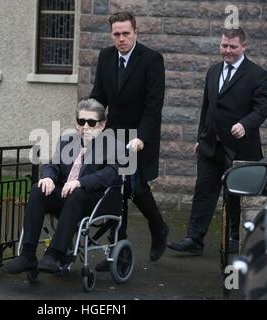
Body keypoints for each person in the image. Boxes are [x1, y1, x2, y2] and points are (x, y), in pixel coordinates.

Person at [168, 27, 267, 255]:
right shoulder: (213, 71)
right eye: (224, 45)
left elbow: (263, 107)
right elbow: (207, 108)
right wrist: (200, 138)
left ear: (244, 46)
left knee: (235, 196)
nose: (227, 50)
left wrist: (245, 124)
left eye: (232, 47)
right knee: (203, 191)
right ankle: (194, 240)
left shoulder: (257, 74)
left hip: (240, 149)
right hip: (210, 145)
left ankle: (236, 238)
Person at [3, 98, 120, 274]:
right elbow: (53, 164)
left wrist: (80, 182)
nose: (85, 126)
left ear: (102, 125)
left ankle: (54, 255)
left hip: (92, 201)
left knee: (77, 193)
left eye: (91, 122)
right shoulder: (67, 141)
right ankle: (27, 256)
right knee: (38, 189)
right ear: (76, 123)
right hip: (65, 197)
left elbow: (109, 174)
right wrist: (48, 177)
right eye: (81, 121)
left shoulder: (112, 146)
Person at [90, 11, 168, 271]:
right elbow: (98, 98)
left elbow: (153, 106)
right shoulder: (106, 57)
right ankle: (116, 253)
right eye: (116, 34)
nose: (121, 39)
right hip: (113, 134)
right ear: (111, 35)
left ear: (135, 32)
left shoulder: (152, 60)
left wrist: (141, 138)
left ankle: (158, 227)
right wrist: (87, 125)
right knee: (116, 191)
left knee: (136, 188)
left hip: (140, 135)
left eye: (126, 33)